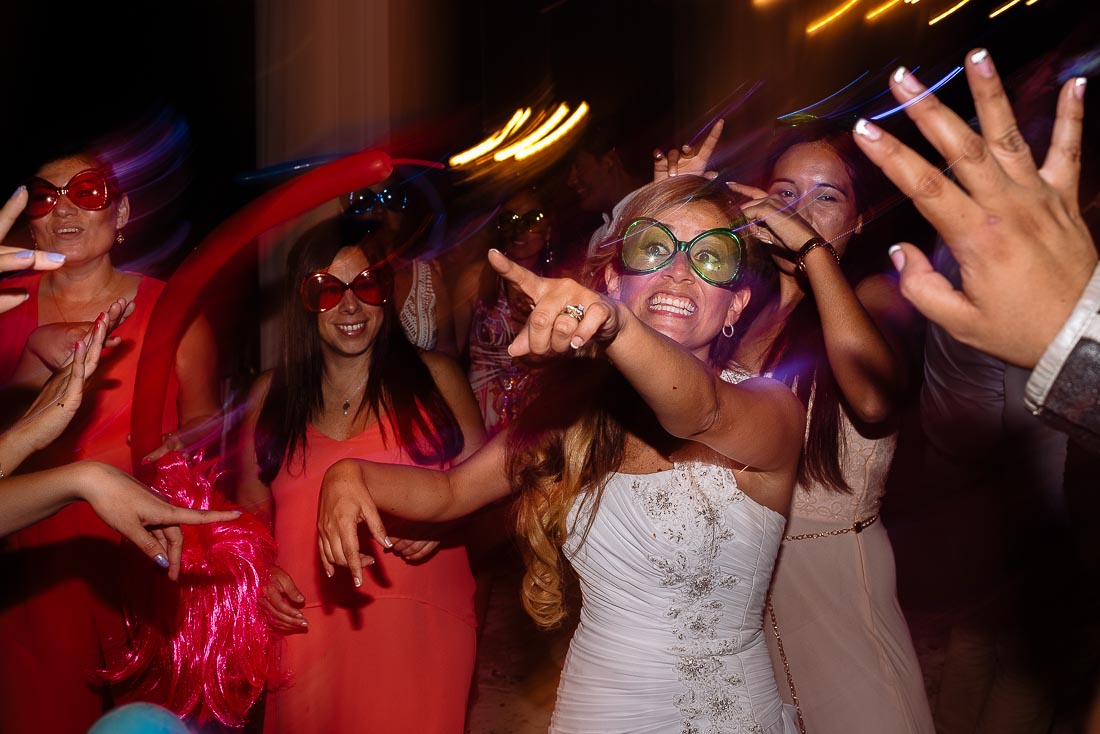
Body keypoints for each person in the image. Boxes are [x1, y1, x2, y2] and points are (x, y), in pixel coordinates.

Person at [317, 176, 808, 733]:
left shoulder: (772, 408)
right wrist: (348, 474)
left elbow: (699, 413)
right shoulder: (572, 418)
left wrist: (617, 325)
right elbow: (451, 492)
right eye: (654, 248)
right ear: (612, 280)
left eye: (710, 258)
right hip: (594, 711)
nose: (678, 271)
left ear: (735, 306)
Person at [700, 117, 929, 731]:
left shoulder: (878, 297)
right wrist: (676, 205)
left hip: (835, 582)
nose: (799, 209)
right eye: (784, 194)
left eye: (826, 196)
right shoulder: (730, 314)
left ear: (860, 216)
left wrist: (811, 252)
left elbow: (875, 402)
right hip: (737, 590)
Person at [234, 219, 486, 734]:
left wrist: (444, 523)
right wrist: (256, 575)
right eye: (327, 290)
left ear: (386, 295)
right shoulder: (267, 398)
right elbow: (245, 520)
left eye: (366, 285)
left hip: (420, 631)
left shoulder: (436, 379)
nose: (350, 306)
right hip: (307, 634)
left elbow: (493, 498)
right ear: (304, 302)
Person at [0, 150, 221, 734]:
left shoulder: (174, 309)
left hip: (142, 546)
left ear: (122, 212)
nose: (64, 207)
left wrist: (177, 442)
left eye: (89, 191)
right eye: (46, 197)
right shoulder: (3, 311)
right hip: (32, 554)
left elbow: (206, 417)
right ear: (30, 221)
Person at [850, 50, 1098, 451]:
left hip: (1008, 464)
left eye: (1045, 83)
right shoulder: (962, 209)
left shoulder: (1061, 233)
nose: (1036, 87)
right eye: (1032, 79)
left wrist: (1069, 342)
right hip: (944, 448)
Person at [454, 186, 554, 433]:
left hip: (534, 420)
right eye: (509, 220)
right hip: (479, 418)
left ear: (548, 231)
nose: (518, 229)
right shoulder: (475, 279)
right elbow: (452, 355)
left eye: (532, 220)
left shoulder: (560, 285)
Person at [337, 172, 458, 355]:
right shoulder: (333, 278)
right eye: (364, 199)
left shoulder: (427, 277)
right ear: (344, 211)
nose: (379, 208)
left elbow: (449, 355)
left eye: (392, 197)